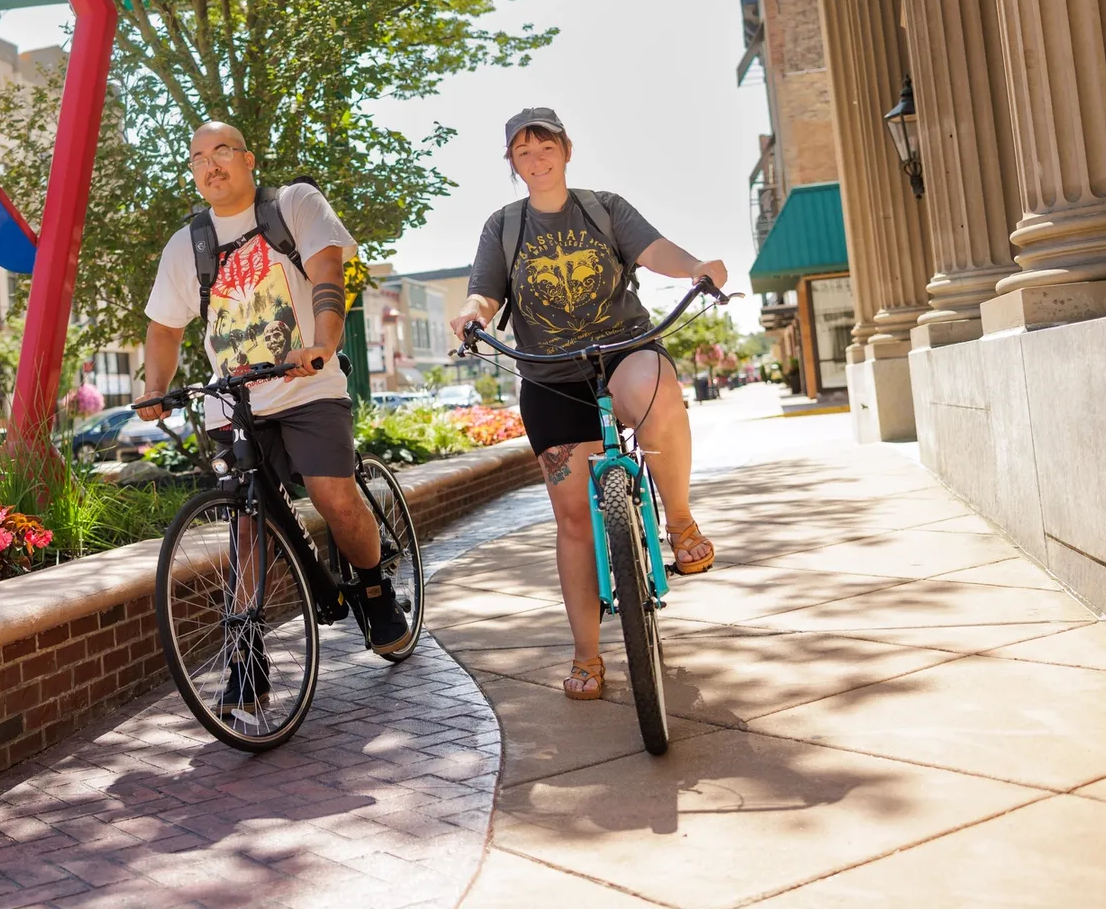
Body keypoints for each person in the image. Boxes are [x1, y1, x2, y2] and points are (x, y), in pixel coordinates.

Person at [449, 107, 724, 701]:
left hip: (622, 351)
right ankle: (587, 656)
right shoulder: (504, 226)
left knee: (658, 391)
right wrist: (472, 314)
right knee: (574, 519)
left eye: (545, 145)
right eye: (522, 151)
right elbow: (484, 292)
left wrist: (696, 267)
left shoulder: (604, 207)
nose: (536, 158)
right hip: (550, 376)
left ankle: (677, 519)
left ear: (566, 150)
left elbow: (654, 252)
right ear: (513, 164)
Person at [136, 120, 413, 701]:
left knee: (333, 494)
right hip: (234, 401)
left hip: (308, 387)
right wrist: (154, 386)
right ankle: (247, 656)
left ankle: (372, 591)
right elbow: (163, 328)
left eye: (222, 153)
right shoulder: (187, 246)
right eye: (198, 159)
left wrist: (324, 343)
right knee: (245, 526)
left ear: (248, 159)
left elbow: (328, 275)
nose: (211, 166)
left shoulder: (294, 205)